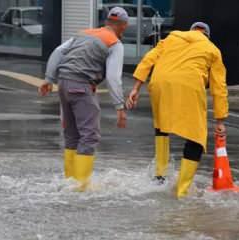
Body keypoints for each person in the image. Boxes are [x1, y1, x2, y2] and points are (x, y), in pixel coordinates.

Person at [126, 22, 228, 199]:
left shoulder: (171, 38)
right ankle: (182, 190)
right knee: (196, 136)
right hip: (189, 85)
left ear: (191, 31)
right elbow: (219, 87)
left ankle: (160, 177)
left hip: (159, 82)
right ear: (207, 35)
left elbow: (148, 59)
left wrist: (136, 87)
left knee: (162, 125)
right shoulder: (212, 49)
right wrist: (220, 120)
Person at [39, 7, 129, 191]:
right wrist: (120, 106)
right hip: (81, 85)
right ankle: (81, 187)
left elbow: (57, 52)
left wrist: (49, 79)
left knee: (72, 134)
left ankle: (69, 181)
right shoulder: (114, 43)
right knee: (89, 135)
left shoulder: (84, 33)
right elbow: (113, 77)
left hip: (63, 84)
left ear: (106, 22)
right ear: (124, 26)